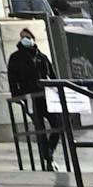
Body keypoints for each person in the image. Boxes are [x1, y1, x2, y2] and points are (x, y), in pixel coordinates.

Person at [6, 25, 57, 165]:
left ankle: (49, 152)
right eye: (22, 37)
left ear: (33, 39)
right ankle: (48, 159)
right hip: (29, 98)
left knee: (58, 125)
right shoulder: (16, 58)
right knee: (40, 128)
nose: (25, 40)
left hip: (46, 96)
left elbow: (52, 76)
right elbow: (12, 78)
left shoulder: (42, 57)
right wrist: (17, 95)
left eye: (27, 37)